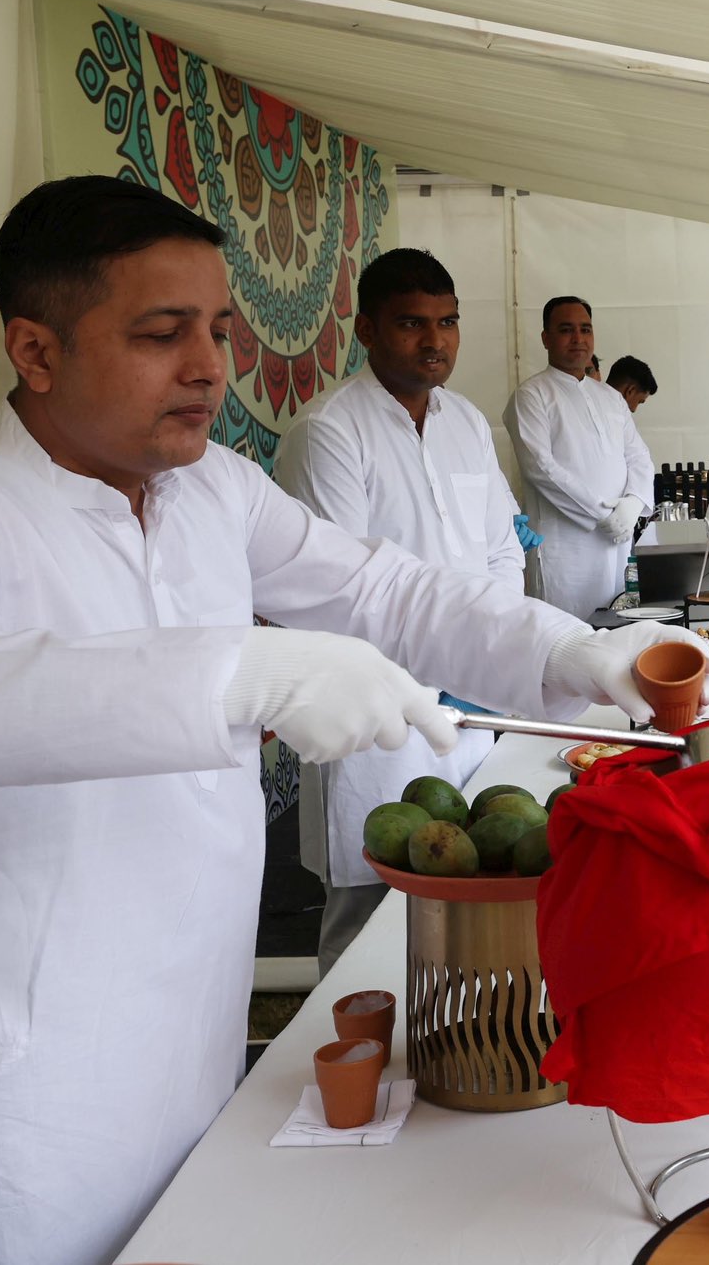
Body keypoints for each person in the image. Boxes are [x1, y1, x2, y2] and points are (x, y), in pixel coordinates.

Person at [0, 176, 709, 1265]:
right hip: (36, 1068)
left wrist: (564, 652)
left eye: (218, 330)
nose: (209, 366)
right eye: (162, 333)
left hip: (199, 1008)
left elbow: (387, 590)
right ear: (35, 351)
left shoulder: (213, 489)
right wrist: (240, 674)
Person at [272, 248, 525, 971]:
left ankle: (455, 1035)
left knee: (473, 886)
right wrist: (444, 662)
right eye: (412, 323)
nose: (435, 341)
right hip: (379, 708)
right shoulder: (330, 431)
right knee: (369, 910)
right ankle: (354, 1037)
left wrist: (491, 652)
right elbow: (339, 591)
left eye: (448, 322)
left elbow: (501, 550)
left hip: (472, 698)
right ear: (367, 329)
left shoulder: (466, 422)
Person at [505, 297, 653, 616]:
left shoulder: (611, 398)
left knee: (619, 626)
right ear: (545, 338)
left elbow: (639, 456)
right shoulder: (531, 395)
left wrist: (633, 504)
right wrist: (602, 514)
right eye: (566, 330)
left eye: (585, 329)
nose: (578, 338)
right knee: (567, 634)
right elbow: (540, 468)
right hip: (565, 549)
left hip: (617, 541)